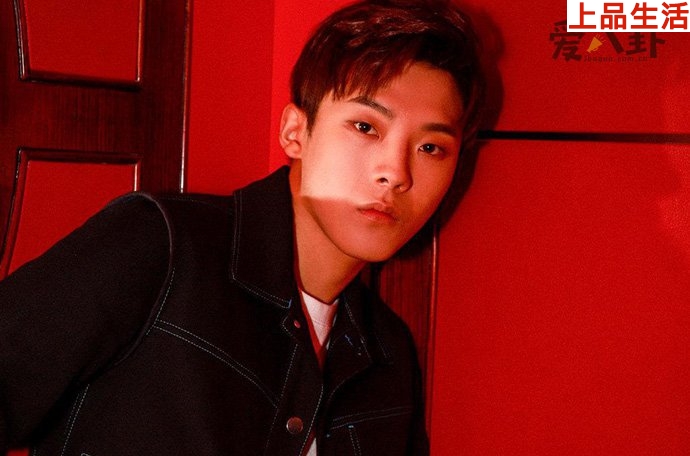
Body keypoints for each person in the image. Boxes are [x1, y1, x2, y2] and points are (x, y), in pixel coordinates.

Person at [0, 0, 484, 454]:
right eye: (365, 127)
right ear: (295, 132)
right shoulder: (161, 248)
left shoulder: (387, 354)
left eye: (431, 148)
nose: (396, 173)